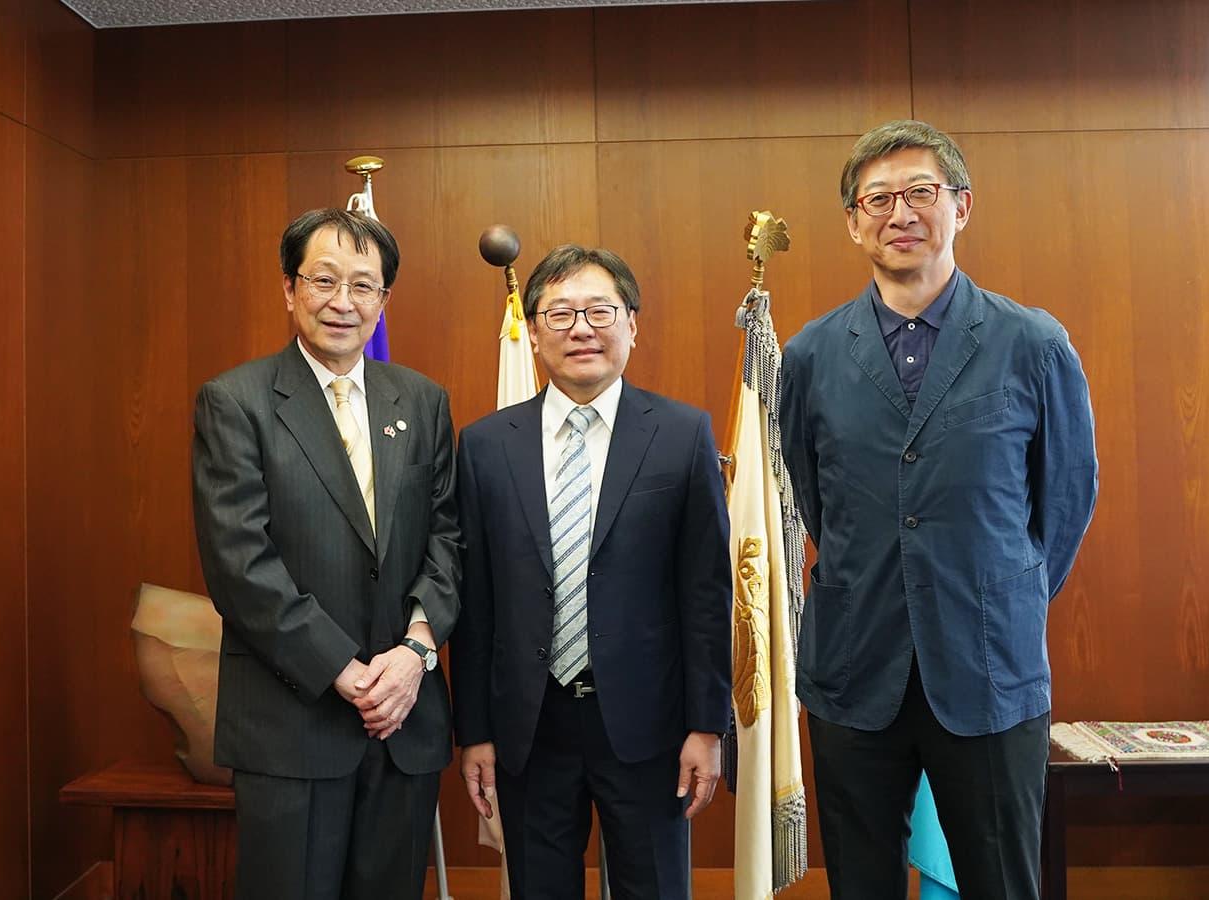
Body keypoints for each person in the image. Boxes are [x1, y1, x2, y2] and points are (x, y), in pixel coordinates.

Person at [778, 120, 1099, 899]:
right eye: (878, 198)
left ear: (962, 207)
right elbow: (810, 498)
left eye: (921, 192)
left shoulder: (1032, 342)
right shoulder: (811, 355)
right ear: (854, 223)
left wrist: (1001, 590)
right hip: (855, 664)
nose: (901, 213)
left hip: (989, 662)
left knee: (1001, 880)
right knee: (860, 882)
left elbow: (1063, 500)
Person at [191, 208, 460, 900]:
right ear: (289, 288)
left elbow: (449, 538)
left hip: (404, 721)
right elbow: (240, 564)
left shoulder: (423, 402)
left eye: (363, 286)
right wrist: (345, 671)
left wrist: (414, 654)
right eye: (324, 280)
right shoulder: (237, 402)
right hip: (292, 725)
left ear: (383, 301)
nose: (344, 302)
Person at [451, 244, 731, 899]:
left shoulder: (682, 435)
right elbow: (476, 603)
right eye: (561, 313)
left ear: (632, 324)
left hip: (651, 726)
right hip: (529, 727)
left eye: (600, 311)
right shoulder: (486, 446)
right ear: (534, 333)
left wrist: (706, 726)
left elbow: (705, 594)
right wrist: (477, 733)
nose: (582, 329)